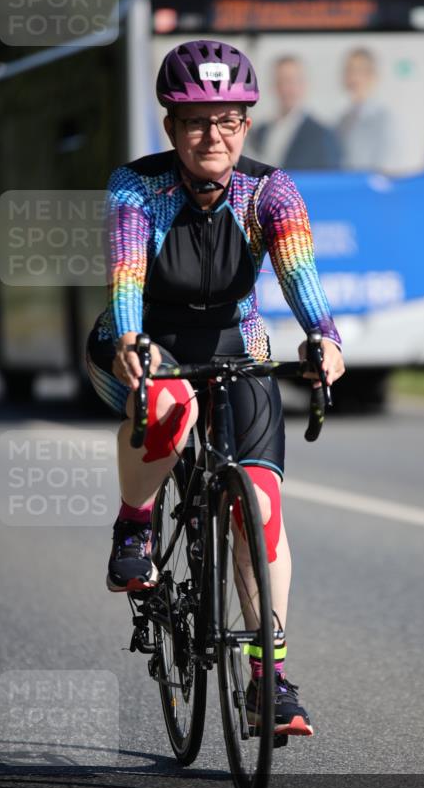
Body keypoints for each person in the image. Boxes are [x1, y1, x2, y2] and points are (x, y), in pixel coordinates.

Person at [86, 40, 345, 737]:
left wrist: (324, 336)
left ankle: (269, 681)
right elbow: (127, 282)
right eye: (196, 121)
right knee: (168, 405)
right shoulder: (136, 188)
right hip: (143, 341)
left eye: (228, 119)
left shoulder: (269, 191)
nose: (213, 136)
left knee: (258, 510)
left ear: (246, 124)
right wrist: (136, 343)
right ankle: (134, 524)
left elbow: (299, 276)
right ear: (170, 127)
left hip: (236, 343)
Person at [249, 56, 341, 169]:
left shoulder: (321, 135)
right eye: (281, 81)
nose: (286, 88)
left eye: (291, 81)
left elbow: (330, 180)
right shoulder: (260, 131)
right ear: (273, 85)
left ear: (304, 85)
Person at [336, 47, 393, 170]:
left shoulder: (385, 119)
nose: (353, 77)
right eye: (349, 71)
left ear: (372, 76)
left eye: (359, 71)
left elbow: (388, 166)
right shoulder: (342, 119)